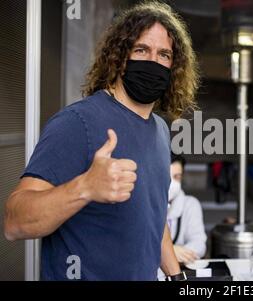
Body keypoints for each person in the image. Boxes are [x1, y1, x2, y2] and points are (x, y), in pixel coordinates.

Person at [4, 2, 199, 281]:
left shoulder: (159, 130)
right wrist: (85, 187)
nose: (153, 61)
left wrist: (177, 277)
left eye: (164, 54)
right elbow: (15, 222)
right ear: (119, 58)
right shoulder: (78, 122)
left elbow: (154, 217)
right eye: (141, 50)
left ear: (174, 67)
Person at [167, 154, 207, 264]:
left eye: (177, 177)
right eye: (168, 177)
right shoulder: (145, 206)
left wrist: (168, 253)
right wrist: (171, 251)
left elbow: (199, 245)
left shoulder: (190, 204)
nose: (172, 183)